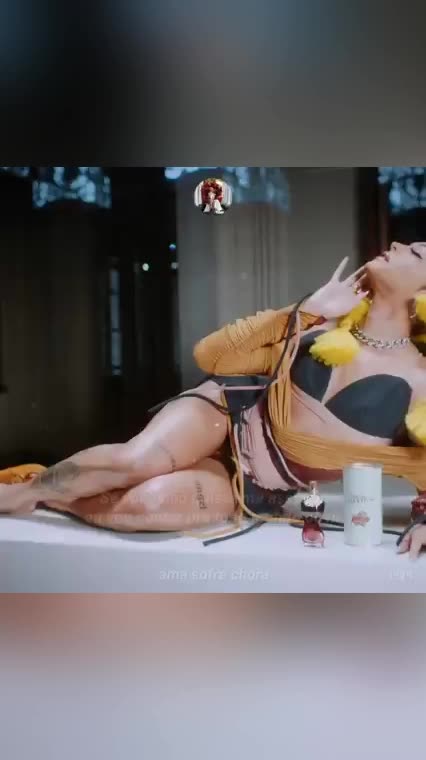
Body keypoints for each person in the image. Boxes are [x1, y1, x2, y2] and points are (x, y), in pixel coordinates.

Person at [3, 241, 426, 559]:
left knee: (148, 507)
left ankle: (43, 491)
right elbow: (212, 357)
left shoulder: (419, 381)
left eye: (416, 253)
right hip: (226, 412)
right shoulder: (318, 329)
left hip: (258, 484)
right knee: (136, 462)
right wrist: (305, 311)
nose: (397, 245)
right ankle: (23, 494)